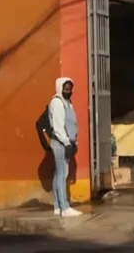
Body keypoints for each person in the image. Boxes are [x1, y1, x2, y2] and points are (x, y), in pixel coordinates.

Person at [48, 77, 82, 217]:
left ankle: (57, 205)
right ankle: (64, 207)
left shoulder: (67, 103)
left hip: (66, 142)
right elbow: (58, 126)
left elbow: (71, 123)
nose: (68, 90)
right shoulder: (57, 102)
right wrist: (67, 143)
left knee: (59, 174)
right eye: (65, 88)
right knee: (62, 174)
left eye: (70, 88)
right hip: (60, 143)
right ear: (59, 88)